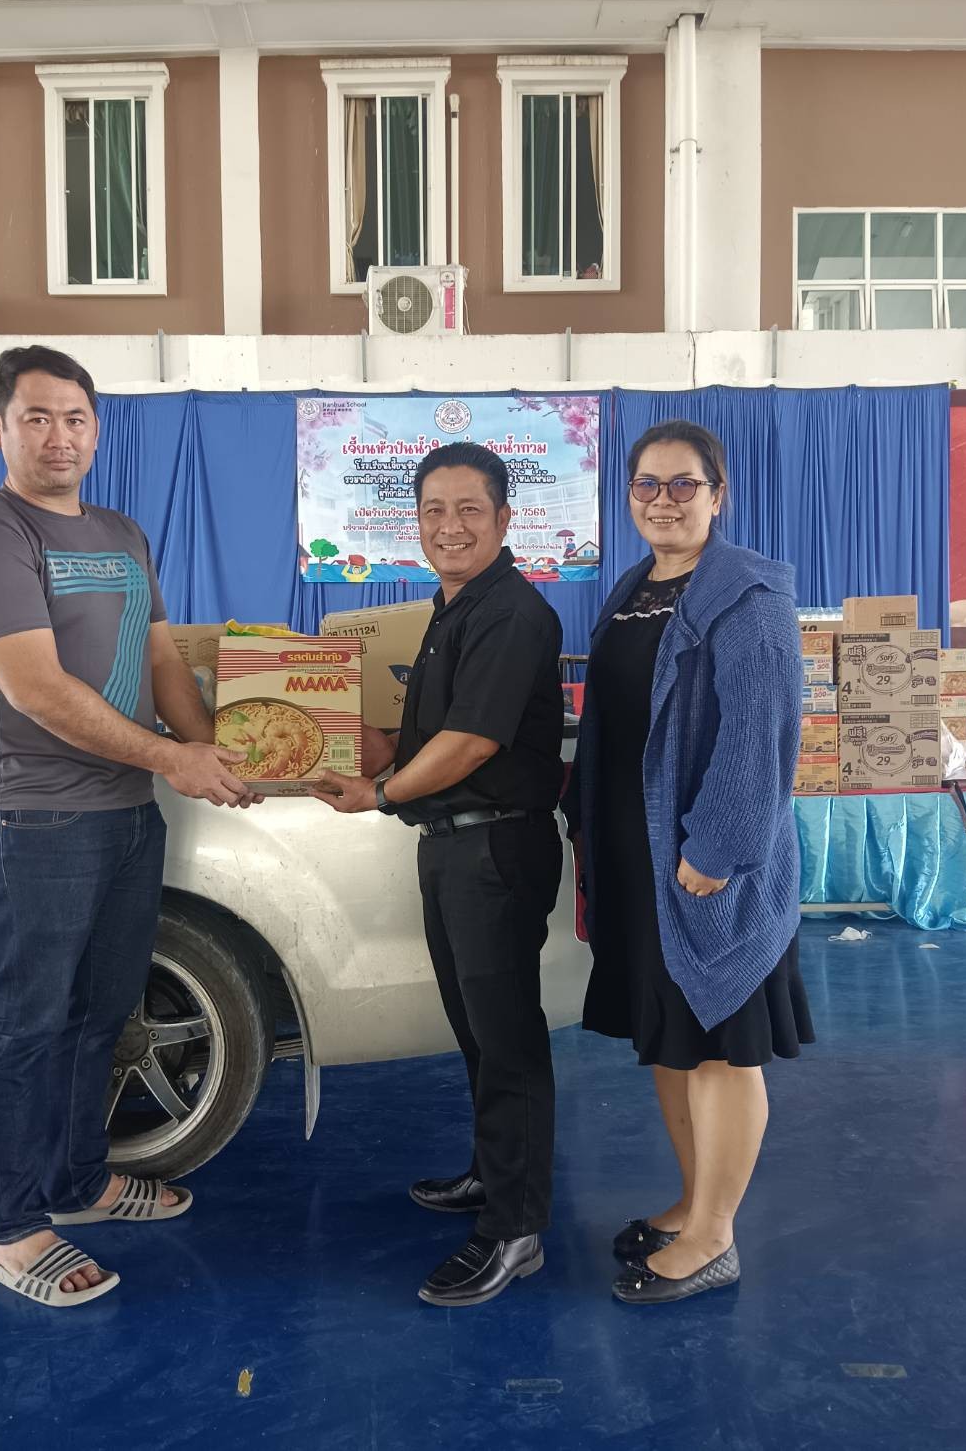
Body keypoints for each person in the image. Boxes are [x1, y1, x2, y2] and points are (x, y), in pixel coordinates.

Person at [0, 346, 259, 1308]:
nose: (58, 435)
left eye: (75, 417)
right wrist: (172, 757)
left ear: (97, 430)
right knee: (22, 1025)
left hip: (127, 817)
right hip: (38, 819)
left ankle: (77, 1180)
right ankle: (12, 1228)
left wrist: (213, 750)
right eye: (36, 417)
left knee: (99, 1014)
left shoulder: (121, 532)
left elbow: (161, 662)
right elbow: (36, 688)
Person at [563, 419, 813, 1305]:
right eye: (647, 484)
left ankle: (714, 1235)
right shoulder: (635, 587)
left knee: (720, 1050)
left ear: (718, 494)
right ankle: (691, 1200)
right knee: (672, 1037)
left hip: (708, 865)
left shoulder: (748, 594)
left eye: (683, 484)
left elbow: (761, 732)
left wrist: (718, 847)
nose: (663, 500)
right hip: (640, 858)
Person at [312, 443, 565, 1308]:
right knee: (477, 1030)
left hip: (494, 848)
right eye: (434, 511)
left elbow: (472, 742)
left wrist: (380, 792)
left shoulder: (512, 613)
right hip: (453, 846)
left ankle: (517, 1229)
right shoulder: (451, 609)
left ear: (504, 519)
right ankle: (495, 1173)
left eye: (468, 509)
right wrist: (316, 726)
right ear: (415, 522)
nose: (449, 526)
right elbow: (419, 737)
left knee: (507, 1038)